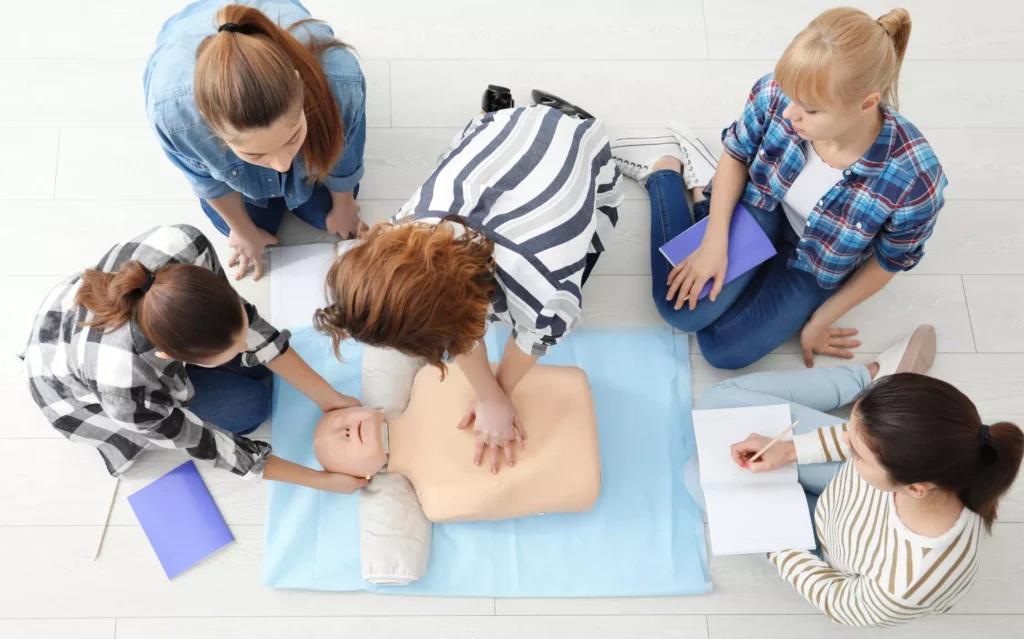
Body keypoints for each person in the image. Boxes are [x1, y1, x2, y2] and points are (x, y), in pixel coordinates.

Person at [611, 8, 947, 369]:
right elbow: (737, 154)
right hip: (764, 206)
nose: (790, 115)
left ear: (866, 104)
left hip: (818, 260)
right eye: (790, 97)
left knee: (723, 351)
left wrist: (820, 319)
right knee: (679, 310)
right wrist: (714, 241)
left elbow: (889, 260)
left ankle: (703, 201)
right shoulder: (775, 92)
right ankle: (664, 170)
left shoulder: (914, 178)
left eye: (811, 111)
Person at [314, 97, 623, 474]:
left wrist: (500, 395)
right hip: (504, 133)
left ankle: (569, 116)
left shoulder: (544, 291)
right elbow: (455, 327)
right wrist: (489, 395)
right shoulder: (405, 229)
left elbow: (534, 337)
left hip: (574, 151)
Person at [684, 325, 1024, 627]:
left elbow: (839, 601)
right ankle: (869, 379)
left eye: (857, 449)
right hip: (846, 492)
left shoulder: (909, 584)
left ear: (915, 487)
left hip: (827, 551)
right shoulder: (928, 466)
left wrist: (774, 543)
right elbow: (848, 440)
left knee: (697, 474)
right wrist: (789, 450)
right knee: (717, 402)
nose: (844, 438)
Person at [23, 225, 368, 494]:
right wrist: (321, 481)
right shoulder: (127, 392)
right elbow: (208, 445)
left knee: (259, 368)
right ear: (169, 356)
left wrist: (331, 398)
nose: (245, 345)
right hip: (71, 378)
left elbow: (249, 329)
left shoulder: (184, 246)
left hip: (123, 320)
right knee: (249, 407)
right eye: (230, 350)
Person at [144, 0, 366, 281]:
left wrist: (344, 205)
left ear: (300, 86)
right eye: (256, 154)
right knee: (249, 228)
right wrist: (243, 231)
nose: (283, 164)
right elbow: (204, 179)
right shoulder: (177, 116)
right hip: (188, 51)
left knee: (327, 215)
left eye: (293, 136)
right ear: (209, 123)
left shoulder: (340, 81)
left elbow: (347, 152)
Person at [313, 362, 601, 522]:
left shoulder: (430, 377)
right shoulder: (437, 502)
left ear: (360, 406)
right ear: (361, 478)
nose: (344, 432)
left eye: (340, 420)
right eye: (338, 447)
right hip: (577, 475)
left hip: (564, 394)